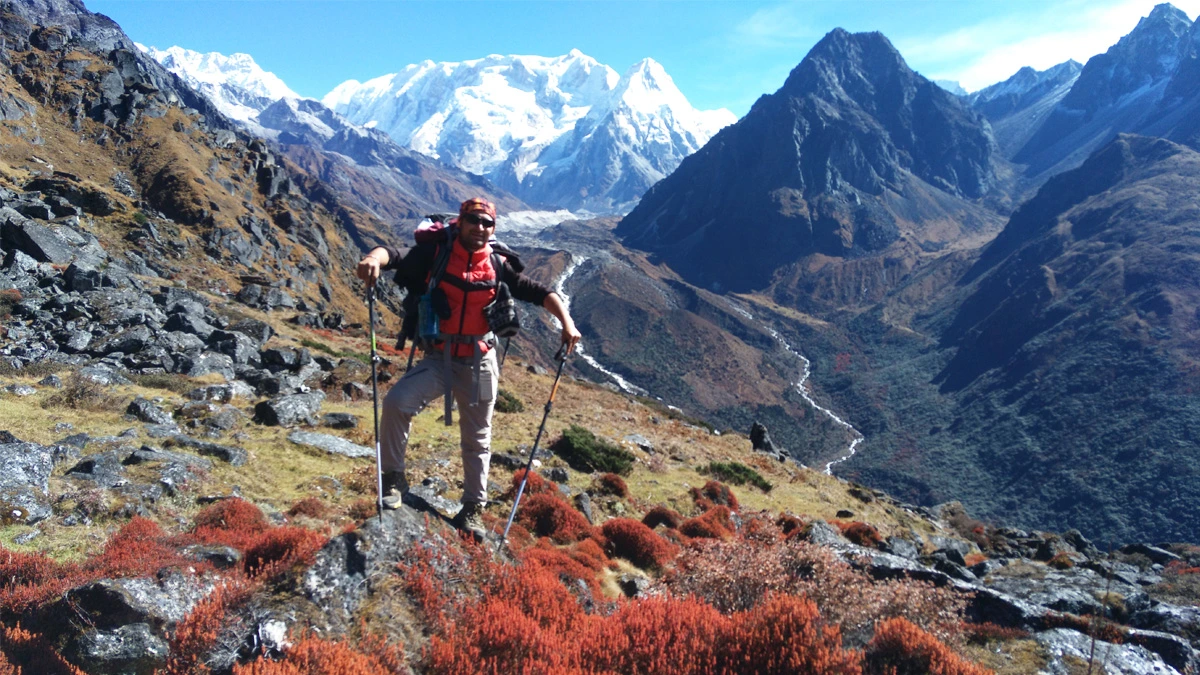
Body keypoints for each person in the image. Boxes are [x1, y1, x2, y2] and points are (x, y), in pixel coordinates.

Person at [355, 197, 581, 538]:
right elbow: (394, 255)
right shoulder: (436, 253)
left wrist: (567, 322)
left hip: (479, 359)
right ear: (459, 222)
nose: (480, 227)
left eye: (487, 223)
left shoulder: (497, 263)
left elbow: (540, 292)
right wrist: (373, 257)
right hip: (438, 357)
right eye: (474, 220)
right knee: (396, 403)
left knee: (477, 439)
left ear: (493, 229)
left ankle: (473, 508)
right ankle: (392, 480)